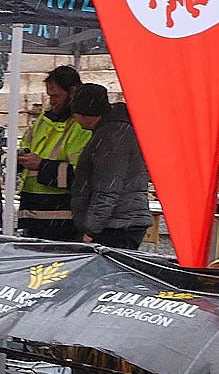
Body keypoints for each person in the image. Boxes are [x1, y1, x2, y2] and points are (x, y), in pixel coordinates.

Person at [62, 84, 152, 250]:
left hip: (116, 225)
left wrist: (91, 230)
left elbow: (108, 188)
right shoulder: (115, 130)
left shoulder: (112, 137)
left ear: (84, 115)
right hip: (120, 221)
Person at [15, 65, 93, 240]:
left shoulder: (81, 126)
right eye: (50, 96)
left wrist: (41, 165)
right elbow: (26, 145)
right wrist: (19, 158)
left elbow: (81, 175)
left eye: (56, 96)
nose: (52, 102)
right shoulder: (43, 119)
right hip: (32, 211)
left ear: (72, 92)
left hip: (61, 215)